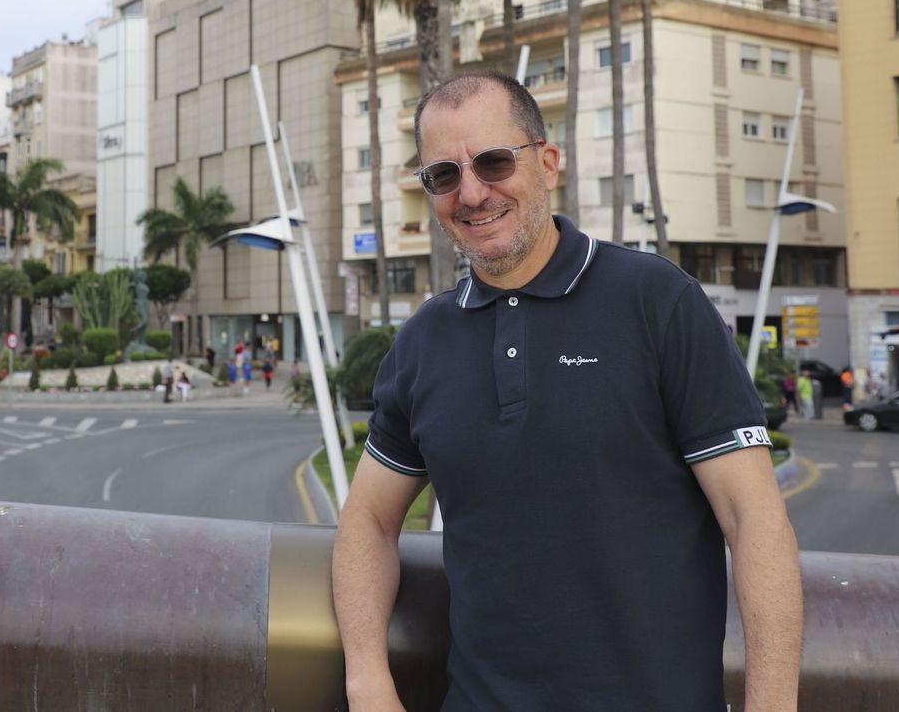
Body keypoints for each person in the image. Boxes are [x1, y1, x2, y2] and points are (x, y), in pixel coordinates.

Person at [333, 70, 801, 712]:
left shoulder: (659, 303)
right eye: (444, 175)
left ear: (548, 162)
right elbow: (368, 519)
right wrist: (367, 681)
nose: (471, 193)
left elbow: (755, 521)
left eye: (494, 162)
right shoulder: (423, 342)